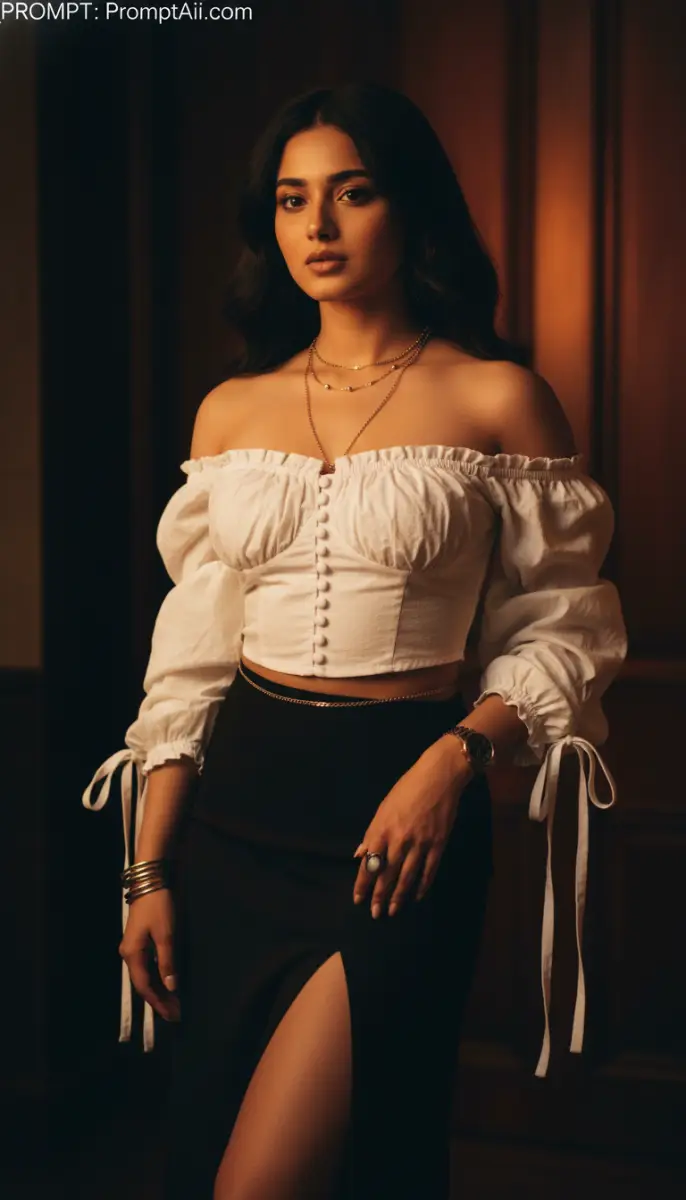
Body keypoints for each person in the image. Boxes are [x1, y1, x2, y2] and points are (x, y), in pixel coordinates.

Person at [82, 81, 628, 1200]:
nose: (316, 228)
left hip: (398, 831)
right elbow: (189, 668)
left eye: (351, 193)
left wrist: (452, 759)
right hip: (238, 817)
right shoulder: (232, 412)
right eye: (290, 200)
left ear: (411, 209)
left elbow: (564, 628)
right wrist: (145, 873)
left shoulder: (496, 400)